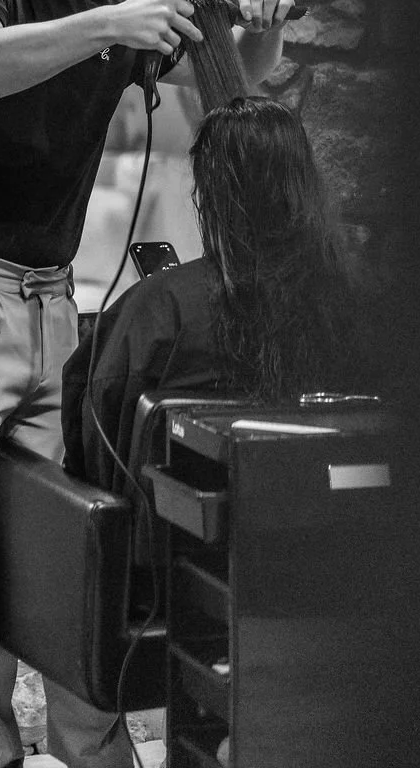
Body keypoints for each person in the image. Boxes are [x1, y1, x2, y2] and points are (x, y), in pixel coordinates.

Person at [0, 0, 295, 768]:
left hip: (55, 309)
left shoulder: (107, 9)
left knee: (53, 576)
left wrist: (253, 32)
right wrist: (107, 27)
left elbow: (226, 102)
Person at [61, 95, 367, 497]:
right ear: (304, 183)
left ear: (208, 192)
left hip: (176, 548)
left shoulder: (161, 309)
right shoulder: (355, 307)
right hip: (327, 530)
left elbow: (97, 441)